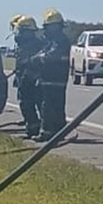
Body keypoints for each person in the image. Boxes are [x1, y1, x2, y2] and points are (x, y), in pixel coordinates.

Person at [29, 8, 71, 142]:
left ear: (56, 26)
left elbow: (51, 56)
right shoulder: (53, 40)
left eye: (48, 27)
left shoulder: (60, 41)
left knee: (48, 106)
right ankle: (59, 131)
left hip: (55, 78)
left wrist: (37, 59)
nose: (46, 30)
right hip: (51, 78)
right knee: (55, 106)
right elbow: (44, 53)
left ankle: (47, 132)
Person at [13, 16, 44, 138]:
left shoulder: (33, 44)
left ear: (26, 31)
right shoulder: (26, 43)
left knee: (29, 103)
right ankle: (33, 127)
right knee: (28, 104)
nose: (18, 33)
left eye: (20, 30)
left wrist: (26, 76)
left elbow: (31, 63)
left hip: (30, 79)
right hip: (25, 77)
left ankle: (35, 128)